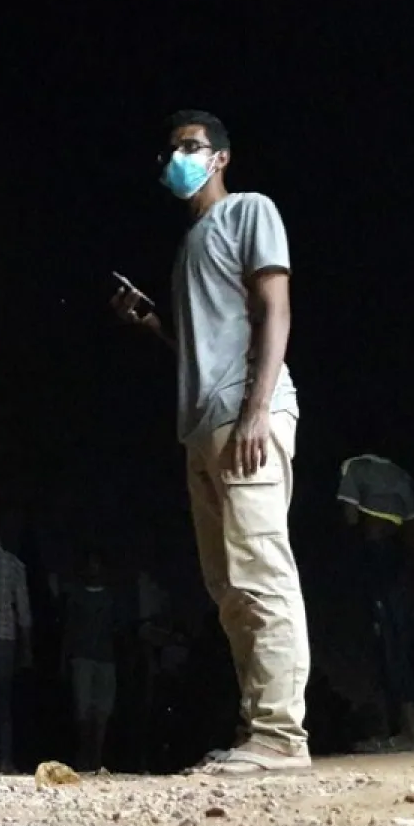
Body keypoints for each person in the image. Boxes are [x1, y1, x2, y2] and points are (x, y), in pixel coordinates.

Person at [112, 109, 308, 775]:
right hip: (204, 425)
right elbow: (205, 348)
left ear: (220, 157)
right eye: (170, 151)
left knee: (261, 570)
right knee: (230, 586)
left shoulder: (249, 211)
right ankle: (261, 727)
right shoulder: (190, 245)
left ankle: (282, 735)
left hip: (245, 417)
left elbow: (275, 307)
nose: (177, 159)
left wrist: (257, 410)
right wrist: (154, 327)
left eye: (191, 147)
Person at [336, 454, 414, 753]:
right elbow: (413, 524)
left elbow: (350, 516)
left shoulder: (354, 466)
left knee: (385, 645)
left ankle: (408, 730)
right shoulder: (400, 473)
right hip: (400, 559)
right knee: (399, 642)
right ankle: (409, 728)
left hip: (374, 558)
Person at [61, 551, 120, 772]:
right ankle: (85, 753)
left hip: (106, 658)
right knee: (83, 709)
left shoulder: (111, 598)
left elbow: (118, 631)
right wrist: (64, 659)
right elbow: (69, 630)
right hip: (82, 658)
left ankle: (97, 755)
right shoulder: (76, 597)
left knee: (103, 711)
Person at [0, 532, 32, 773]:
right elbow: (23, 612)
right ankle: (5, 761)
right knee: (3, 704)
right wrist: (26, 649)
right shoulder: (14, 565)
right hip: (5, 640)